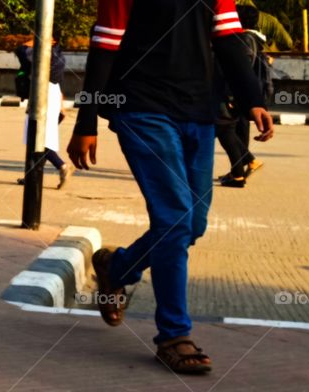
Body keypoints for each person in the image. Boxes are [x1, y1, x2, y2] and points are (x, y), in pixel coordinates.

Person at [67, 0, 274, 374]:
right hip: (140, 108)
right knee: (175, 220)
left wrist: (253, 100)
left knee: (191, 225)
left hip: (199, 112)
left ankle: (117, 267)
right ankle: (174, 335)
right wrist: (86, 123)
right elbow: (105, 48)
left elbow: (228, 40)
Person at [215, 5, 269, 188]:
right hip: (241, 93)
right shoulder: (253, 38)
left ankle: (241, 170)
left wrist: (232, 94)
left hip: (234, 93)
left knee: (224, 129)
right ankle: (241, 168)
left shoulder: (243, 39)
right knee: (232, 130)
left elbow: (237, 67)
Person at [14, 34, 74, 189]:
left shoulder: (47, 54)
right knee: (39, 137)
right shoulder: (57, 54)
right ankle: (32, 175)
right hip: (49, 95)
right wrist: (61, 105)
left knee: (37, 137)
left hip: (43, 95)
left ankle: (62, 167)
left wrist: (35, 39)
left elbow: (21, 50)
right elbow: (58, 83)